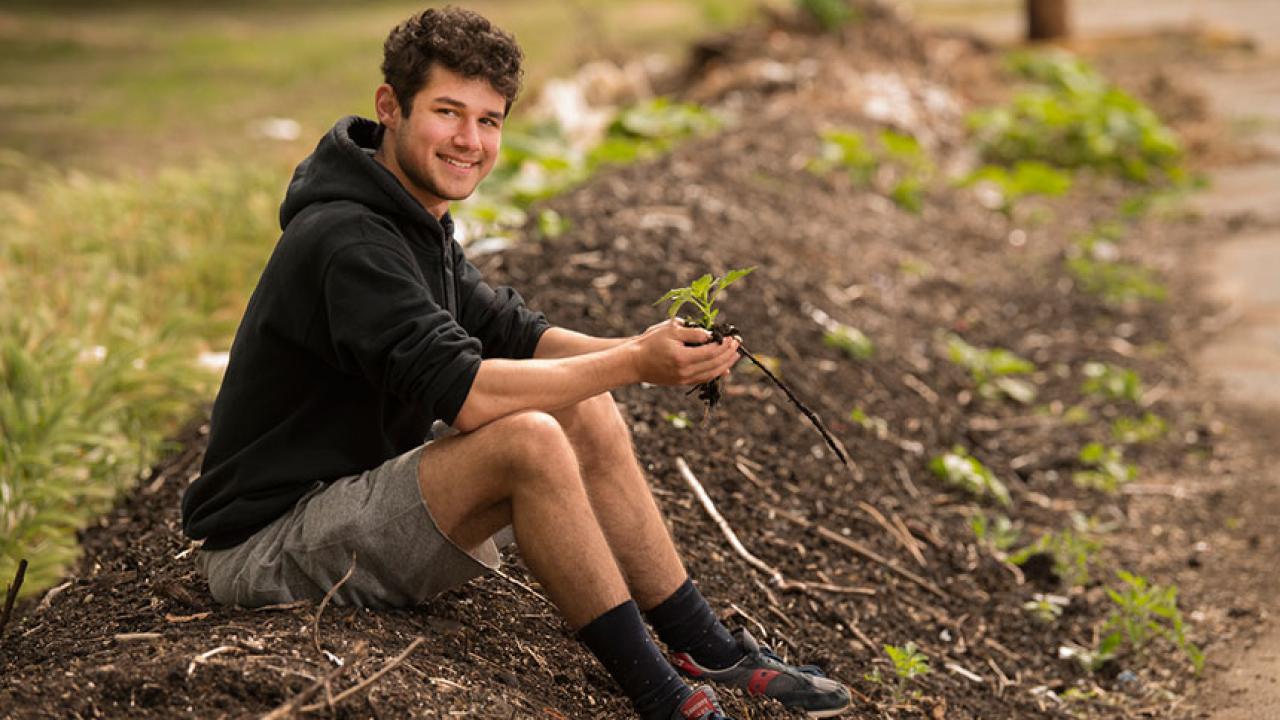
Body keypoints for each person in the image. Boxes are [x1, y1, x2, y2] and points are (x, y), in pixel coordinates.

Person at [181, 7, 851, 720]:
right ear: (391, 108)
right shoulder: (348, 241)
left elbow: (514, 332)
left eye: (490, 120)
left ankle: (705, 646)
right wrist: (632, 362)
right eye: (448, 112)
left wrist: (667, 352)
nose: (470, 141)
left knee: (578, 403)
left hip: (349, 502)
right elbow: (466, 394)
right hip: (270, 546)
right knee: (528, 441)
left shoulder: (411, 216)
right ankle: (665, 699)